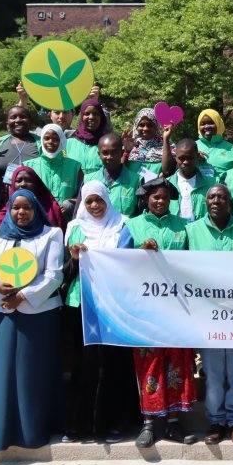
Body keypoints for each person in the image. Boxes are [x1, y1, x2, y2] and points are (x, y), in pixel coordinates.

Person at [0, 188, 65, 451]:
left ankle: (31, 433)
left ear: (36, 210)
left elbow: (54, 275)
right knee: (1, 374)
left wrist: (22, 296)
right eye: (16, 208)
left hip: (37, 315)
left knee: (30, 375)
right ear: (9, 210)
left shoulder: (51, 235)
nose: (21, 212)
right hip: (1, 315)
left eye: (27, 208)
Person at [124, 177, 200, 447]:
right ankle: (148, 423)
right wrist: (139, 252)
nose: (160, 201)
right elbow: (118, 264)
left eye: (165, 198)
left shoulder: (184, 227)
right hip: (145, 310)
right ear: (146, 199)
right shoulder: (132, 226)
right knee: (149, 365)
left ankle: (173, 423)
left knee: (176, 365)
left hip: (178, 309)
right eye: (155, 197)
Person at [61, 181, 137, 443]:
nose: (94, 206)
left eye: (99, 200)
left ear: (107, 199)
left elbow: (127, 263)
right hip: (79, 305)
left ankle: (114, 423)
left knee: (112, 365)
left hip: (112, 306)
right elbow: (63, 273)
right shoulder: (74, 228)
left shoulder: (122, 225)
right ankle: (77, 425)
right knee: (81, 366)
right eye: (89, 201)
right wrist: (74, 259)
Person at [186, 184, 233, 444]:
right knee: (213, 375)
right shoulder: (191, 231)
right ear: (205, 201)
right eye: (212, 196)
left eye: (222, 197)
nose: (216, 200)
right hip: (207, 315)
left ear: (230, 202)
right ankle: (215, 421)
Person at [0, 105, 40, 216]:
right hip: (0, 200)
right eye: (13, 117)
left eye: (22, 117)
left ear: (30, 120)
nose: (18, 120)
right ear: (7, 123)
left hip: (31, 199)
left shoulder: (40, 143)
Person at [24, 124, 82, 221]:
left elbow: (83, 193)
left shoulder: (75, 166)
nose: (50, 142)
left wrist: (70, 203)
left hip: (66, 221)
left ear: (61, 141)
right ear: (42, 140)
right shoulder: (28, 166)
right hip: (37, 220)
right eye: (46, 138)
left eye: (55, 139)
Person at [0, 166, 66, 230]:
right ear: (13, 184)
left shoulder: (52, 209)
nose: (23, 184)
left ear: (36, 184)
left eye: (28, 180)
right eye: (18, 181)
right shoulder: (3, 215)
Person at [166, 138, 215, 224]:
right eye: (181, 158)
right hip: (174, 233)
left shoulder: (211, 184)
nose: (185, 162)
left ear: (197, 157)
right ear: (176, 158)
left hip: (200, 233)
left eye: (190, 158)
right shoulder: (167, 184)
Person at [96, 133, 144, 217]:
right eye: (105, 153)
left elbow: (140, 216)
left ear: (121, 153)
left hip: (126, 229)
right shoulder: (89, 180)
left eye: (114, 152)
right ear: (99, 155)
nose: (110, 157)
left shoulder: (136, 180)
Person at [66, 98, 114, 175]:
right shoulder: (68, 144)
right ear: (82, 116)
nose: (91, 117)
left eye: (95, 114)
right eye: (87, 113)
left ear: (101, 117)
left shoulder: (107, 143)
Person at [195, 109, 233, 181]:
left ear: (218, 124)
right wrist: (192, 156)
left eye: (210, 123)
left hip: (225, 190)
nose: (206, 126)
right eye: (202, 124)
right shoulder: (192, 147)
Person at [124, 107, 169, 176]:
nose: (145, 129)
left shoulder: (166, 146)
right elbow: (121, 170)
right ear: (136, 125)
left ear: (156, 126)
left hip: (156, 185)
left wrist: (166, 140)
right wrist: (127, 151)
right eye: (141, 125)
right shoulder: (130, 144)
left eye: (150, 125)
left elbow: (167, 170)